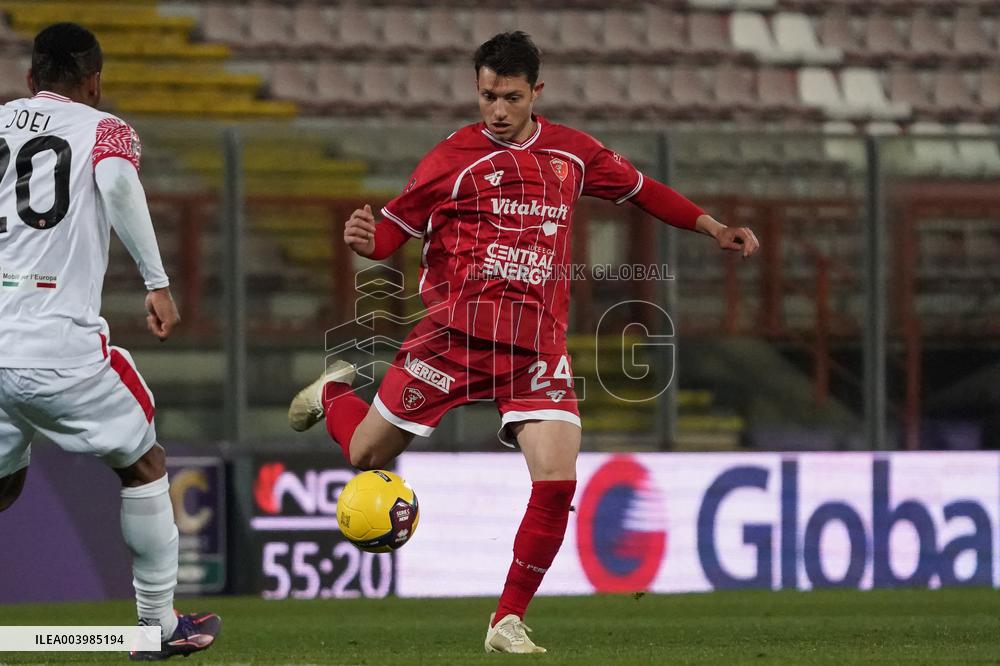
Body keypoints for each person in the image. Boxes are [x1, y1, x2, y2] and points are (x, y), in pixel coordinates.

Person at [289, 31, 759, 653]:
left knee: (557, 479)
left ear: (537, 91)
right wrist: (363, 240)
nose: (499, 111)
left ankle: (506, 620)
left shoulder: (572, 153)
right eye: (488, 96)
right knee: (367, 457)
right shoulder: (452, 158)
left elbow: (643, 191)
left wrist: (712, 226)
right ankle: (332, 396)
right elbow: (390, 235)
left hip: (535, 348)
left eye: (510, 97)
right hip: (453, 338)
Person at [0, 23, 221, 661]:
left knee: (4, 487)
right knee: (144, 462)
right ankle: (157, 626)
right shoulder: (107, 128)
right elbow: (119, 185)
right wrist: (157, 282)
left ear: (29, 79)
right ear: (94, 81)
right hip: (57, 344)